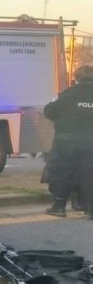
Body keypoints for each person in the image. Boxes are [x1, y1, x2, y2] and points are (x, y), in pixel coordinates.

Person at [43, 65, 93, 219]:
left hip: (66, 141)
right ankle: (90, 209)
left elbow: (49, 112)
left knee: (62, 171)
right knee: (90, 173)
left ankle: (59, 206)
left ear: (76, 78)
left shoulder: (66, 94)